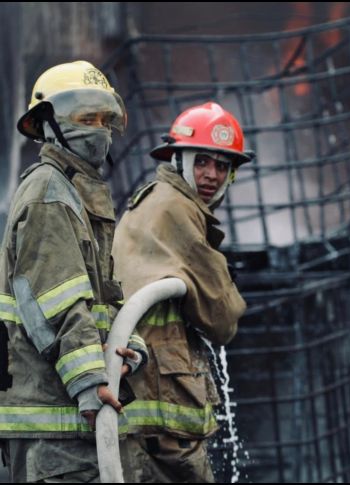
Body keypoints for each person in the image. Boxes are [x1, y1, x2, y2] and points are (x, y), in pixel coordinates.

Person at [0, 60, 147, 482]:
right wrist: (87, 379)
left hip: (68, 420)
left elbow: (103, 298)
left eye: (105, 119)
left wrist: (128, 348)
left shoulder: (74, 191)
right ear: (47, 123)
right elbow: (53, 300)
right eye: (86, 118)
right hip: (54, 421)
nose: (99, 129)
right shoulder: (49, 194)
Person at [113, 102, 249, 482]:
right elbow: (223, 323)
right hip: (158, 404)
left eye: (222, 166)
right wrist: (221, 279)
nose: (211, 175)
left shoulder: (158, 200)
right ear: (179, 160)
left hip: (144, 396)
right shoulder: (176, 208)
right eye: (202, 161)